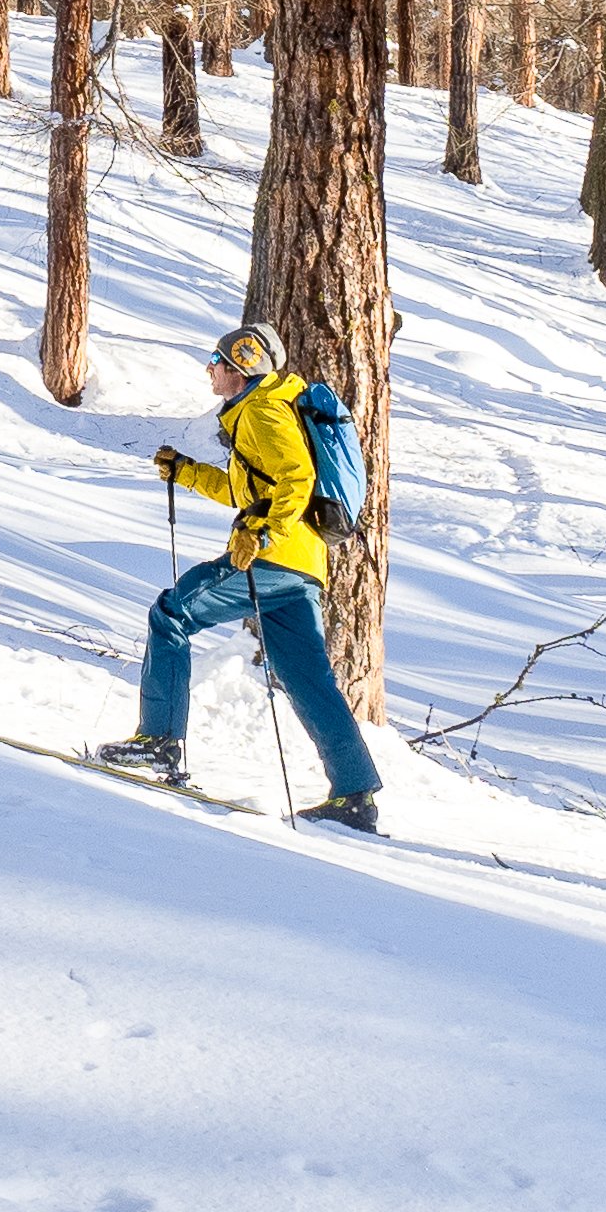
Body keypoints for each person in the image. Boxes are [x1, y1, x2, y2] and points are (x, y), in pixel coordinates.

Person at [101, 323, 387, 835]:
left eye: (216, 358)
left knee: (171, 613)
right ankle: (354, 793)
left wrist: (262, 532)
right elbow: (250, 489)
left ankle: (159, 743)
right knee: (307, 678)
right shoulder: (264, 407)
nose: (209, 367)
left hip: (272, 558)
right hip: (303, 566)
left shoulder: (260, 409)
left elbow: (296, 478)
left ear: (240, 366)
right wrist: (186, 472)